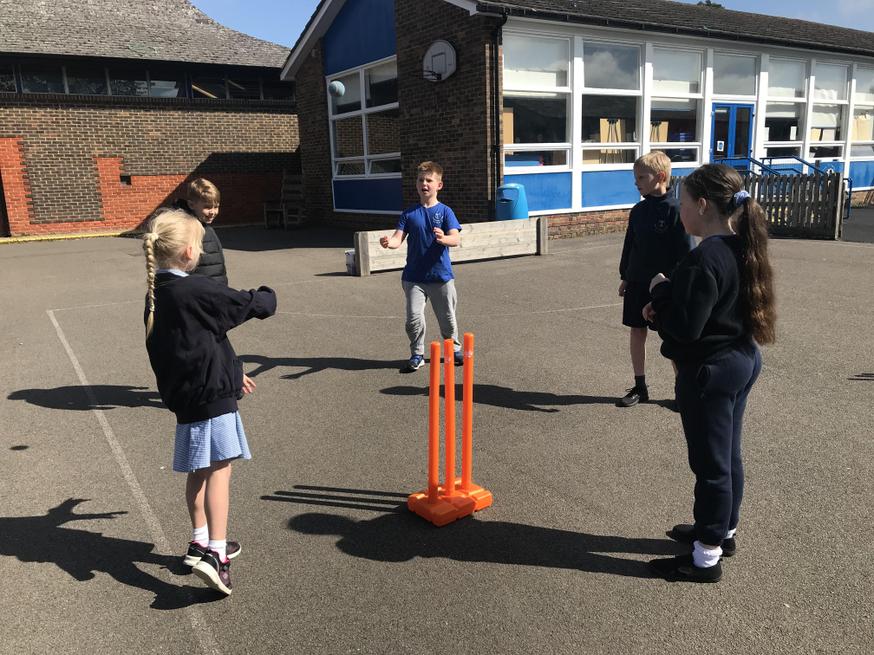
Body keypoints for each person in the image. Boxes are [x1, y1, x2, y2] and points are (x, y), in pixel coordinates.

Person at [644, 164, 776, 583]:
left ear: (702, 205)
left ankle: (705, 558)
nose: (679, 210)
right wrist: (669, 298)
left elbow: (685, 328)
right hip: (741, 359)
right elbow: (712, 306)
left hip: (711, 371)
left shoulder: (704, 258)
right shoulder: (740, 246)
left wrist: (659, 293)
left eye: (682, 202)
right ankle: (721, 531)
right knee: (727, 455)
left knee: (710, 465)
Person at [142, 209, 276, 596]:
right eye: (199, 246)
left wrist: (233, 373)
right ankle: (217, 553)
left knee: (198, 471)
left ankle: (199, 541)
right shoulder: (196, 289)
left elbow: (200, 344)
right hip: (212, 400)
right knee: (220, 470)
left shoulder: (156, 294)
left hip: (187, 399)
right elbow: (254, 304)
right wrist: (268, 293)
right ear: (188, 251)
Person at [617, 151, 694, 407]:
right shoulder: (638, 211)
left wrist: (676, 285)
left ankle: (683, 391)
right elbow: (630, 246)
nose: (636, 182)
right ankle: (640, 387)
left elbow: (686, 254)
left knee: (672, 338)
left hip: (664, 287)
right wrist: (625, 276)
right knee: (637, 332)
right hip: (637, 282)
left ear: (660, 177)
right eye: (635, 177)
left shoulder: (677, 210)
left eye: (641, 177)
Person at [379, 161, 464, 372]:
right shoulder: (409, 214)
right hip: (413, 278)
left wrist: (444, 238)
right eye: (420, 180)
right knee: (413, 319)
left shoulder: (445, 212)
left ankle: (453, 348)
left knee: (447, 319)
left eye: (428, 180)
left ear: (439, 185)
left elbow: (455, 238)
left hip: (441, 277)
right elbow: (398, 239)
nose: (424, 184)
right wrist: (389, 243)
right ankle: (417, 354)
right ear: (416, 184)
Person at [174, 178, 228, 285]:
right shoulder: (186, 230)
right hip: (201, 290)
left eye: (216, 207)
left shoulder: (206, 229)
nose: (213, 212)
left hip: (216, 289)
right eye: (207, 207)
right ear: (191, 205)